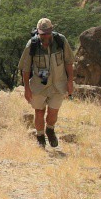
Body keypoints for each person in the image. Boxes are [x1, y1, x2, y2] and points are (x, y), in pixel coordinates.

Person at [17, 18, 75, 148]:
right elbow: (25, 69)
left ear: (52, 30)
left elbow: (68, 62)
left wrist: (70, 81)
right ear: (38, 32)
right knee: (39, 111)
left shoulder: (61, 41)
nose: (45, 36)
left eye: (47, 33)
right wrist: (26, 88)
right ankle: (40, 137)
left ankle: (50, 129)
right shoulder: (32, 45)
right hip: (39, 85)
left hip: (58, 84)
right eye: (42, 34)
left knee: (53, 111)